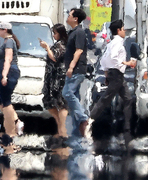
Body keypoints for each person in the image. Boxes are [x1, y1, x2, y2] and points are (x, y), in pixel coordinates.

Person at [89, 20, 136, 141]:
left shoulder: (111, 43)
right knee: (106, 99)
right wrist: (128, 63)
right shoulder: (118, 43)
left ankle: (127, 128)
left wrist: (106, 74)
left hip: (116, 75)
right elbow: (113, 57)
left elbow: (104, 59)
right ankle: (89, 121)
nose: (125, 31)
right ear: (119, 30)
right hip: (116, 75)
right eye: (123, 29)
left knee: (127, 99)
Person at [62, 8, 89, 137]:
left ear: (75, 18)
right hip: (73, 69)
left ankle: (83, 118)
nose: (67, 17)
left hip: (77, 70)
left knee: (67, 93)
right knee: (75, 97)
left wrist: (71, 67)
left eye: (69, 15)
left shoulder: (79, 32)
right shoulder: (72, 32)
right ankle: (77, 130)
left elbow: (79, 51)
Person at [0, 22, 21, 144]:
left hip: (9, 73)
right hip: (4, 73)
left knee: (6, 102)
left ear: (5, 30)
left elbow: (8, 59)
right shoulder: (6, 41)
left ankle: (10, 132)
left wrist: (4, 75)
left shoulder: (9, 42)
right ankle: (16, 122)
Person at [40, 23, 68, 138]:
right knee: (49, 101)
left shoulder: (61, 45)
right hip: (52, 77)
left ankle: (62, 131)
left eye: (55, 33)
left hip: (59, 77)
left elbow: (55, 57)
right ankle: (59, 126)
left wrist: (47, 48)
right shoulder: (57, 44)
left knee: (61, 103)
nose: (53, 35)